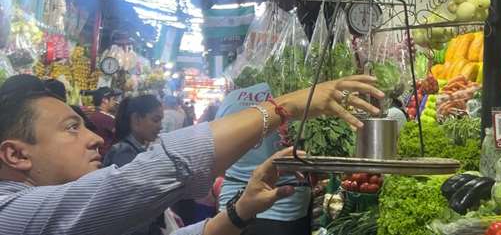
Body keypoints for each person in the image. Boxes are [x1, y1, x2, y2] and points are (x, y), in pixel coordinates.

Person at [0, 73, 382, 235]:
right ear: (16, 155)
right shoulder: (10, 215)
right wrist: (282, 107)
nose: (95, 138)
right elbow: (143, 178)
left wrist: (240, 210)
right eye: (71, 128)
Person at [216, 83, 311, 235]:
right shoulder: (299, 96)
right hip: (284, 207)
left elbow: (218, 151)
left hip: (233, 207)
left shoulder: (231, 98)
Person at [103, 94, 166, 235]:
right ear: (136, 119)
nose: (160, 126)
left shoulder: (134, 150)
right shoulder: (124, 154)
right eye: (155, 120)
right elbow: (129, 208)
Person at [88, 87, 119, 153]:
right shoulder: (108, 119)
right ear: (105, 100)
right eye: (113, 99)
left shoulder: (92, 115)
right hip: (105, 158)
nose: (115, 102)